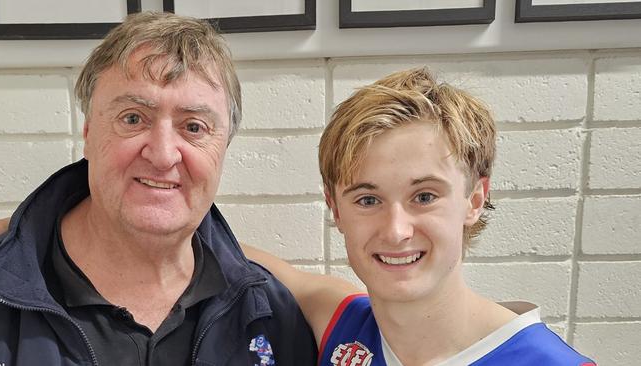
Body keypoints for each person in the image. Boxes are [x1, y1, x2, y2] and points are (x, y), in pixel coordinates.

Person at [0, 12, 317, 366]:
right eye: (133, 118)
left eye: (194, 127)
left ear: (224, 148)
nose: (162, 156)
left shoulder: (269, 314)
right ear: (88, 135)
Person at [242, 68, 596, 365]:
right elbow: (239, 256)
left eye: (424, 196)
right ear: (335, 208)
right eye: (368, 199)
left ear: (474, 200)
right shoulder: (342, 324)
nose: (396, 231)